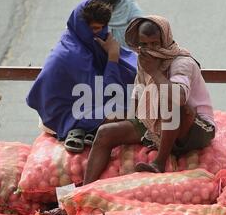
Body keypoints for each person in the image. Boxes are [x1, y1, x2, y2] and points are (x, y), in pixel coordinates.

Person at [83, 15, 216, 185]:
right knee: (105, 132)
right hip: (157, 124)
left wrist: (154, 71)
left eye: (155, 44)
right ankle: (84, 189)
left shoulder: (182, 62)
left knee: (171, 101)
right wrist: (123, 118)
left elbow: (179, 97)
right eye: (144, 44)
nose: (149, 49)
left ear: (165, 40)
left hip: (194, 129)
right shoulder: (143, 60)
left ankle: (159, 162)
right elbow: (139, 97)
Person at [26, 0, 137, 153]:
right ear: (82, 27)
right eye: (95, 28)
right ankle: (82, 129)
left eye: (103, 27)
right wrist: (112, 56)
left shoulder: (86, 43)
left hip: (87, 101)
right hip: (65, 115)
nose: (102, 32)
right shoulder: (73, 55)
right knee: (130, 112)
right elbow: (104, 94)